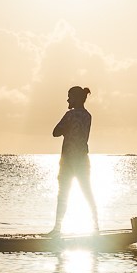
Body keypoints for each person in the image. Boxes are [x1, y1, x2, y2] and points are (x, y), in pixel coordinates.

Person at [50, 86, 99, 234]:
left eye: (70, 97)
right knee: (87, 192)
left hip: (68, 162)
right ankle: (96, 227)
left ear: (77, 99)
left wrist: (66, 130)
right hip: (83, 160)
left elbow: (55, 132)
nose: (68, 100)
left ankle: (57, 229)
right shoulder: (88, 116)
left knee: (63, 194)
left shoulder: (70, 115)